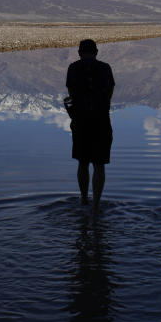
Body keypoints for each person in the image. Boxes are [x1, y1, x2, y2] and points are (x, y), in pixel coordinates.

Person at [66, 39, 115, 209]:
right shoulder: (105, 68)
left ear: (79, 53)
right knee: (99, 164)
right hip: (101, 122)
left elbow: (70, 92)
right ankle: (96, 203)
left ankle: (84, 199)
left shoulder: (73, 68)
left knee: (83, 162)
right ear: (96, 52)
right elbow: (109, 93)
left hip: (80, 122)